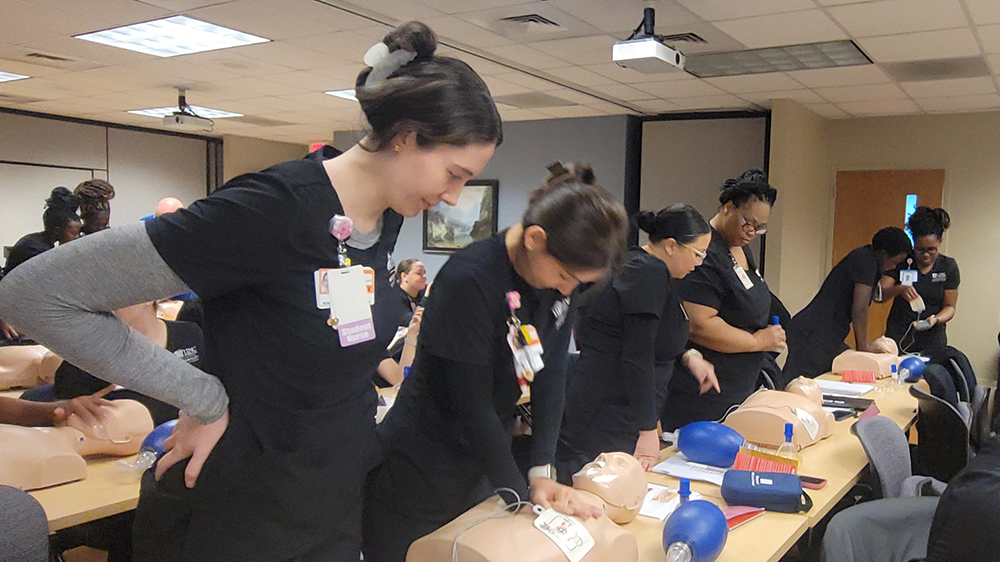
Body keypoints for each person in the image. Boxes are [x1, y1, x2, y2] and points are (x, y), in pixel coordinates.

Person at [0, 20, 502, 562]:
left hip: (331, 500)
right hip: (243, 508)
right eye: (453, 174)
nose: (453, 197)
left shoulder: (386, 220)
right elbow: (34, 294)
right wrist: (201, 397)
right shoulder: (272, 208)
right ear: (405, 137)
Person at [362, 162, 627, 562]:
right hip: (422, 462)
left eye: (579, 285)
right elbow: (470, 402)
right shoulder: (469, 279)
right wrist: (519, 493)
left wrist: (541, 471)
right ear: (536, 238)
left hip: (483, 458)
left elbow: (550, 373)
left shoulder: (555, 283)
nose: (568, 289)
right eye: (565, 276)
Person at [556, 204, 718, 477]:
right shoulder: (646, 273)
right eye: (698, 253)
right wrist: (647, 427)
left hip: (619, 404)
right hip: (610, 410)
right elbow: (637, 353)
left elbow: (649, 337)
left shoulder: (643, 267)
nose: (699, 263)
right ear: (670, 245)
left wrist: (688, 357)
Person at [660, 170, 783, 431]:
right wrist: (757, 341)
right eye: (748, 223)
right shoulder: (706, 252)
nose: (752, 232)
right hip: (705, 391)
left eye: (760, 227)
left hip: (739, 386)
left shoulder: (739, 246)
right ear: (728, 208)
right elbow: (700, 325)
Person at [784, 227, 912, 379]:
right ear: (884, 254)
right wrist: (864, 347)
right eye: (894, 262)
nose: (894, 267)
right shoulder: (866, 262)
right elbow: (860, 308)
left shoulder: (867, 258)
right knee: (800, 383)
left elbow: (877, 296)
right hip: (813, 334)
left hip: (820, 333)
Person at [53, 300, 204, 426]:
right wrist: (71, 410)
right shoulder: (85, 355)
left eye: (116, 293)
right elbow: (65, 412)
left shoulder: (190, 334)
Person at [1, 186, 82, 341]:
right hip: (10, 319)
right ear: (58, 231)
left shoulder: (43, 244)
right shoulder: (35, 249)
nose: (77, 237)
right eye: (73, 233)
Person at [881, 207, 959, 353]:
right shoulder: (903, 261)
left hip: (933, 338)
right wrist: (899, 289)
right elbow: (881, 295)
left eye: (931, 249)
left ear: (940, 242)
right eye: (920, 249)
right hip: (899, 334)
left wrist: (935, 320)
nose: (926, 255)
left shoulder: (948, 267)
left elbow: (950, 306)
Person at [394, 258, 427, 326]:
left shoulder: (423, 291)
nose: (425, 277)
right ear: (404, 276)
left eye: (424, 273)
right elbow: (412, 321)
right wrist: (426, 297)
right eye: (419, 273)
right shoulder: (394, 296)